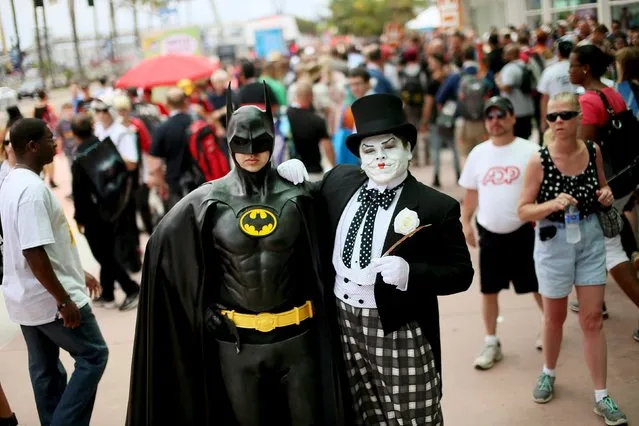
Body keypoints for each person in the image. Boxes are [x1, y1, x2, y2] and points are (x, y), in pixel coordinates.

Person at [126, 83, 345, 426]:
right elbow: (165, 254)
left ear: (273, 140)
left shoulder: (300, 196)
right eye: (240, 143)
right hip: (237, 344)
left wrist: (318, 183)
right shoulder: (207, 202)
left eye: (260, 142)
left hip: (297, 341)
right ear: (228, 142)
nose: (251, 151)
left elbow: (349, 196)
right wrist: (200, 305)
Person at [278, 93, 474, 424]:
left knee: (414, 414)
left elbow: (461, 273)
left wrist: (412, 272)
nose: (379, 157)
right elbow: (305, 199)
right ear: (360, 157)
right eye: (369, 150)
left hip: (398, 325)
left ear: (409, 149)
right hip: (342, 319)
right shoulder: (339, 180)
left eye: (389, 146)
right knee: (362, 407)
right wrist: (285, 176)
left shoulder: (436, 206)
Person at [518, 93, 628, 425]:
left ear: (580, 117)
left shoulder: (593, 150)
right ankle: (548, 372)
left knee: (592, 318)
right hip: (554, 244)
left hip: (591, 238)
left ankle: (601, 395)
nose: (559, 122)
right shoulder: (539, 160)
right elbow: (523, 210)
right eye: (552, 117)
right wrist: (551, 204)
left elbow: (603, 186)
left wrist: (606, 195)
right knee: (555, 317)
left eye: (566, 115)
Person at [0, 118, 108, 426]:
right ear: (32, 146)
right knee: (94, 355)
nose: (56, 143)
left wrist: (77, 272)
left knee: (46, 371)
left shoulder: (11, 181)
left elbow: (39, 245)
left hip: (25, 299)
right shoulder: (31, 190)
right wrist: (63, 299)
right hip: (49, 300)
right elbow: (33, 251)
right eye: (49, 139)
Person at [459, 96, 544, 370]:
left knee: (538, 285)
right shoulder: (478, 154)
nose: (495, 121)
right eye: (490, 116)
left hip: (525, 231)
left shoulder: (531, 150)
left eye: (500, 115)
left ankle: (549, 325)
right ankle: (491, 340)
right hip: (490, 233)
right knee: (488, 289)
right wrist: (465, 222)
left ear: (511, 117)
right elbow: (471, 194)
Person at [569, 44, 639, 336]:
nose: (568, 70)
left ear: (584, 68)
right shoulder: (612, 93)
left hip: (603, 185)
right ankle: (596, 301)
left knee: (609, 250)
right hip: (626, 177)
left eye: (572, 65)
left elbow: (583, 152)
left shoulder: (587, 101)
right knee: (609, 243)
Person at [71, 114, 140, 311]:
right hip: (115, 207)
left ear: (74, 134)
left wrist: (79, 218)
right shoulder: (105, 146)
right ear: (92, 127)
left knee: (103, 255)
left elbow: (80, 194)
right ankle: (107, 293)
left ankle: (131, 288)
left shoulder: (80, 160)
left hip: (94, 215)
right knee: (108, 250)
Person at [537, 40, 576, 134]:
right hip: (575, 114)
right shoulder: (579, 70)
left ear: (558, 53)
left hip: (555, 116)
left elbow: (544, 99)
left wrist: (543, 121)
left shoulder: (549, 71)